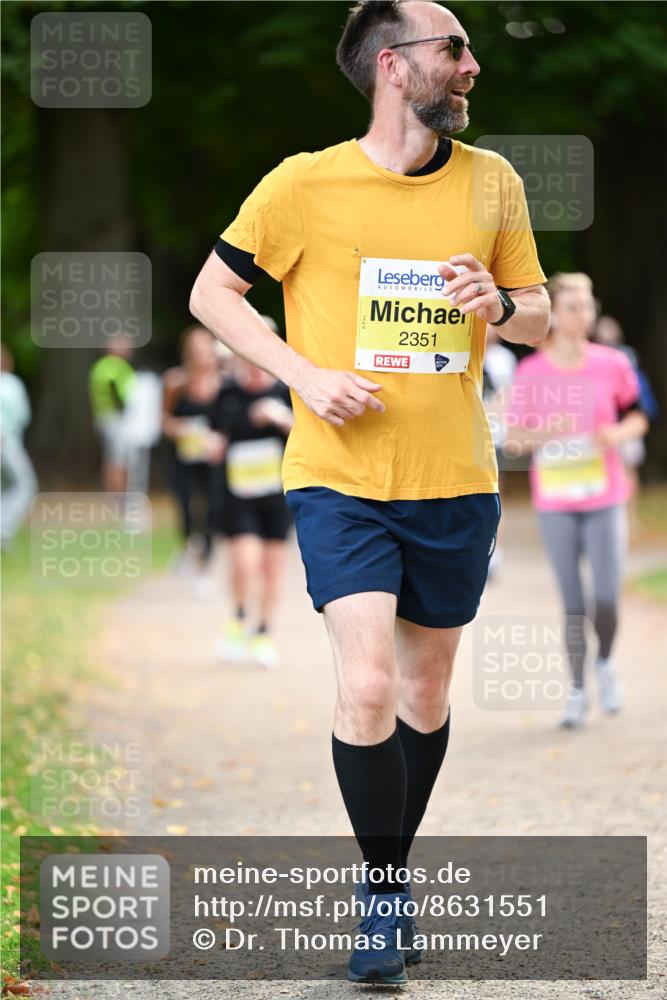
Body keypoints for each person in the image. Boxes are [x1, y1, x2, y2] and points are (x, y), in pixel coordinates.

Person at [190, 0, 548, 984]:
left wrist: (503, 303)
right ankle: (383, 893)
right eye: (454, 49)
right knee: (370, 681)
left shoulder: (494, 182)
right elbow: (211, 293)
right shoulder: (305, 184)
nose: (472, 64)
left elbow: (538, 314)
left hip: (453, 477)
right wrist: (302, 376)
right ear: (394, 66)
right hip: (337, 475)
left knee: (426, 690)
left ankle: (390, 873)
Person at [505, 274, 648, 730]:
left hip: (605, 495)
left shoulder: (614, 364)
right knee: (573, 601)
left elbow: (640, 416)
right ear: (553, 313)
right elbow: (511, 440)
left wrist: (618, 433)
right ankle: (577, 689)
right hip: (557, 501)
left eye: (588, 305)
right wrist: (548, 432)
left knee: (606, 597)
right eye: (573, 306)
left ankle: (604, 662)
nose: (583, 313)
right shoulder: (531, 373)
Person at [212, 321, 294, 669]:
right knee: (245, 564)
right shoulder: (228, 392)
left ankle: (263, 633)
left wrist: (282, 419)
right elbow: (215, 436)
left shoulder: (286, 389)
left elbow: (310, 435)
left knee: (272, 567)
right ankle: (239, 618)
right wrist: (213, 445)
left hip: (277, 493)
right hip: (239, 492)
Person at [162, 325, 226, 596]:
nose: (201, 353)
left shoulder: (225, 382)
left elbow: (232, 420)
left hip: (214, 459)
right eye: (196, 348)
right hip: (184, 457)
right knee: (186, 508)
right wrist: (180, 429)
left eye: (206, 346)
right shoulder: (176, 381)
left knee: (213, 511)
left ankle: (205, 569)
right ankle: (188, 545)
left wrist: (219, 439)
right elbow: (164, 420)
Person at [89, 334, 137, 493]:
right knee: (119, 460)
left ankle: (114, 494)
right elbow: (120, 394)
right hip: (115, 419)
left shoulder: (100, 366)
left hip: (104, 418)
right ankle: (118, 496)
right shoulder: (115, 367)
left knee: (112, 458)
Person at [1, 345, 37, 549]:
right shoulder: (12, 384)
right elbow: (23, 416)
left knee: (5, 488)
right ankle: (4, 528)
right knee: (26, 486)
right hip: (7, 443)